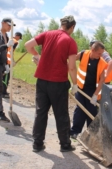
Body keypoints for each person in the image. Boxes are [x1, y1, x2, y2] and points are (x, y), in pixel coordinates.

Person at [25, 15, 78, 153]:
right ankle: (65, 144)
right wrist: (75, 84)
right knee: (61, 114)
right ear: (72, 27)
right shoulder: (70, 41)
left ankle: (37, 144)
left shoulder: (47, 34)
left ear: (61, 24)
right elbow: (71, 67)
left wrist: (38, 56)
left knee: (40, 112)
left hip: (42, 80)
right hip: (59, 83)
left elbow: (27, 45)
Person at [70, 41, 108, 139]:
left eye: (102, 53)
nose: (101, 55)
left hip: (92, 91)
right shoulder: (83, 54)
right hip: (80, 88)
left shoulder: (102, 62)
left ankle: (91, 135)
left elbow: (102, 80)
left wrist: (95, 95)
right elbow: (71, 60)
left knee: (91, 112)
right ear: (92, 50)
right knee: (79, 110)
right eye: (99, 53)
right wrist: (74, 84)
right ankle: (75, 131)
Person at [2, 31, 22, 98]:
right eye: (19, 38)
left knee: (3, 76)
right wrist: (12, 61)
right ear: (18, 36)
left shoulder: (9, 38)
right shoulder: (15, 41)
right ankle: (3, 92)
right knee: (7, 77)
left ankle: (1, 91)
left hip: (3, 59)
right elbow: (10, 51)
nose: (19, 39)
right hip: (7, 61)